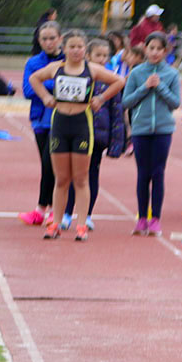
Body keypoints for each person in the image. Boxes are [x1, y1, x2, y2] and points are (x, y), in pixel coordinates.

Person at [29, 30, 125, 241]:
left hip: (82, 124)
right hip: (60, 124)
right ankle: (55, 223)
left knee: (81, 179)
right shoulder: (56, 68)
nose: (76, 50)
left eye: (80, 47)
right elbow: (34, 78)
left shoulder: (92, 69)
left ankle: (81, 225)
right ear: (64, 48)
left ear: (85, 49)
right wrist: (45, 97)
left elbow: (119, 81)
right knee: (62, 179)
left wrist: (101, 98)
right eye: (71, 46)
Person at [60, 38, 127, 232]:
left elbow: (117, 112)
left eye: (105, 56)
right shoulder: (79, 76)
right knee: (74, 175)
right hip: (77, 131)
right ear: (88, 56)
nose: (102, 59)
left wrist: (116, 142)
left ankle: (87, 214)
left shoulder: (111, 80)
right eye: (98, 55)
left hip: (98, 136)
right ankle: (66, 213)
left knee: (92, 175)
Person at [121, 32, 180, 236]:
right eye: (151, 48)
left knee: (158, 172)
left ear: (165, 51)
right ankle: (141, 218)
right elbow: (126, 101)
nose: (155, 52)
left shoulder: (172, 74)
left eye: (159, 49)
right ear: (145, 49)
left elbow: (175, 102)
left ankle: (155, 219)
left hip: (163, 130)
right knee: (143, 173)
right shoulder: (136, 73)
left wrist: (160, 86)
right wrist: (145, 87)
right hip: (141, 130)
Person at [18, 21, 64, 226]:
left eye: (52, 38)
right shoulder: (33, 62)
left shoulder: (67, 61)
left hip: (61, 118)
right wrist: (54, 83)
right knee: (46, 165)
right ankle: (43, 209)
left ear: (60, 38)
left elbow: (72, 85)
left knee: (51, 164)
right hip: (39, 119)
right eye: (44, 39)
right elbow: (28, 90)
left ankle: (49, 209)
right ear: (39, 40)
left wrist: (41, 83)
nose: (48, 42)